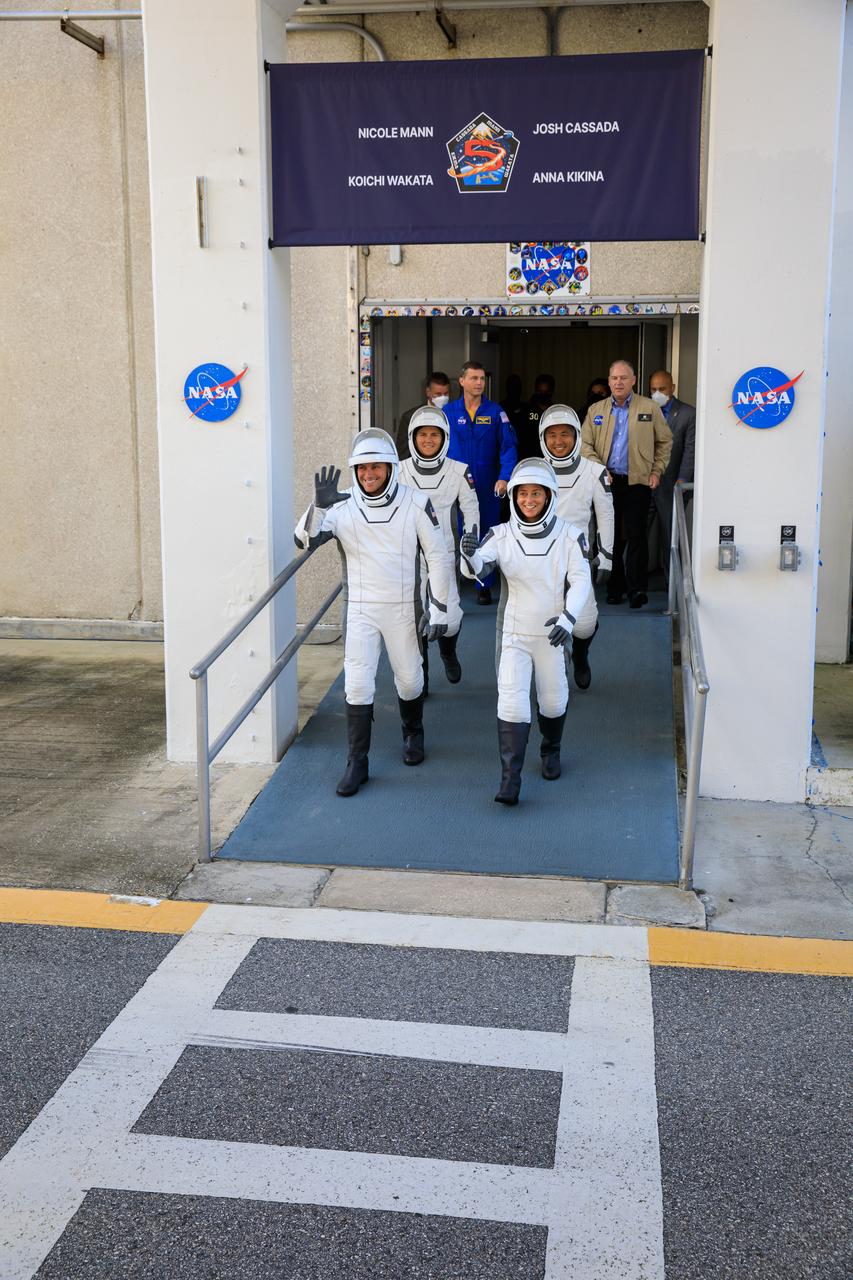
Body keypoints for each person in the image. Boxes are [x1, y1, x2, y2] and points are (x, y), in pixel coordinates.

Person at [295, 428, 451, 797]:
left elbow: (439, 557)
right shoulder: (341, 504)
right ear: (355, 470)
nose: (369, 475)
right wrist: (320, 506)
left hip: (402, 607)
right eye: (363, 468)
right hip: (360, 608)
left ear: (390, 468)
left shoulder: (416, 502)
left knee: (411, 680)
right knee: (358, 684)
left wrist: (440, 608)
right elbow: (304, 541)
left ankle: (413, 733)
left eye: (376, 468)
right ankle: (357, 762)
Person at [460, 458, 592, 806]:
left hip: (553, 635)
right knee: (513, 702)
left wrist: (568, 618)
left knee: (553, 700)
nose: (529, 500)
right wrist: (469, 556)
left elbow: (581, 581)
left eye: (536, 493)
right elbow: (480, 568)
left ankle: (551, 749)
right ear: (514, 496)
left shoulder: (570, 535)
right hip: (515, 635)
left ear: (549, 496)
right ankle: (510, 779)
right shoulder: (501, 534)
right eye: (522, 494)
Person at [399, 404, 480, 689]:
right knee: (414, 616)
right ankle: (422, 672)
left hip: (445, 554)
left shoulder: (459, 471)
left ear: (444, 437)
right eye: (423, 434)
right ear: (413, 437)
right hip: (408, 557)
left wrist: (470, 542)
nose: (429, 440)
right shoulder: (399, 471)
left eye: (435, 434)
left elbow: (471, 510)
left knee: (451, 617)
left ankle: (448, 651)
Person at [581, 359, 671, 609]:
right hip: (606, 484)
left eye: (624, 377)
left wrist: (656, 470)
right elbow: (584, 445)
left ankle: (636, 589)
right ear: (609, 381)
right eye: (614, 378)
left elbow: (665, 442)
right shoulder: (596, 410)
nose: (618, 382)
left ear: (634, 380)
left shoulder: (649, 407)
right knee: (611, 537)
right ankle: (614, 587)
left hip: (637, 483)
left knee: (636, 536)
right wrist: (600, 469)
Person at [538, 404, 615, 689]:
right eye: (552, 435)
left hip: (579, 560)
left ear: (577, 436)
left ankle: (580, 655)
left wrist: (605, 556)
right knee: (541, 622)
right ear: (543, 437)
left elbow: (606, 515)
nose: (559, 441)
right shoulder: (535, 470)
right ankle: (552, 677)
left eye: (565, 434)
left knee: (584, 624)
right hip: (538, 560)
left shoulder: (594, 472)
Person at [446, 360, 518, 606]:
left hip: (488, 483)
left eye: (482, 379)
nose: (479, 383)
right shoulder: (448, 413)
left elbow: (508, 447)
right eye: (474, 378)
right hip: (456, 483)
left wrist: (504, 477)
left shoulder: (496, 412)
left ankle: (483, 584)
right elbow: (436, 447)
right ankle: (451, 582)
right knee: (453, 530)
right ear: (462, 381)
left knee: (487, 531)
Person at [648, 369, 696, 561]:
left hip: (672, 485)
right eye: (653, 389)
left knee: (671, 539)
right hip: (645, 484)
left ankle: (672, 588)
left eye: (662, 388)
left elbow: (690, 451)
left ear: (673, 388)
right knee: (637, 537)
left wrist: (682, 480)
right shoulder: (643, 411)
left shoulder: (688, 414)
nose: (657, 393)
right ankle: (634, 586)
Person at [395, 372, 451, 461]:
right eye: (438, 394)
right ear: (428, 392)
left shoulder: (455, 415)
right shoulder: (410, 417)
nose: (443, 398)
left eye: (446, 394)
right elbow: (403, 454)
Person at [516, 372, 556, 459]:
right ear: (536, 390)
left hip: (550, 458)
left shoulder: (556, 412)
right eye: (540, 392)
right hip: (528, 457)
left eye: (547, 392)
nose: (543, 395)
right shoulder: (525, 411)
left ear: (552, 392)